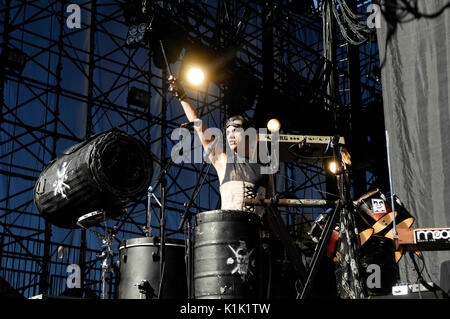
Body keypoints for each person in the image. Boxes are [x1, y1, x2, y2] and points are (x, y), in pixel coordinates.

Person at [168, 76, 273, 216]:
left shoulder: (266, 168)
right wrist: (182, 96)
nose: (230, 135)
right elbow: (198, 125)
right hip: (228, 232)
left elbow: (272, 207)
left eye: (235, 131)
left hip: (255, 234)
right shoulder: (223, 161)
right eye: (228, 132)